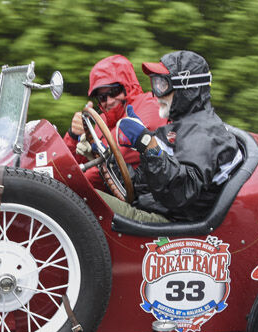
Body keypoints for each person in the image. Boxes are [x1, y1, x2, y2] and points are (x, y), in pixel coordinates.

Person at [104, 50, 242, 223]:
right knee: (82, 195)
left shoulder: (204, 134)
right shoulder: (179, 128)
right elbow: (142, 186)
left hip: (173, 222)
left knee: (85, 200)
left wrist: (147, 144)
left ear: (187, 89)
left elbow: (180, 193)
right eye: (155, 83)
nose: (156, 94)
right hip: (154, 208)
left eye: (162, 85)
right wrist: (107, 158)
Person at [63, 55, 166, 178]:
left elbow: (122, 151)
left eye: (114, 92)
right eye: (102, 97)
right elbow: (69, 168)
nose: (110, 101)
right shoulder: (101, 122)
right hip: (117, 185)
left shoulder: (149, 104)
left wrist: (97, 154)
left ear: (128, 87)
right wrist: (74, 135)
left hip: (150, 186)